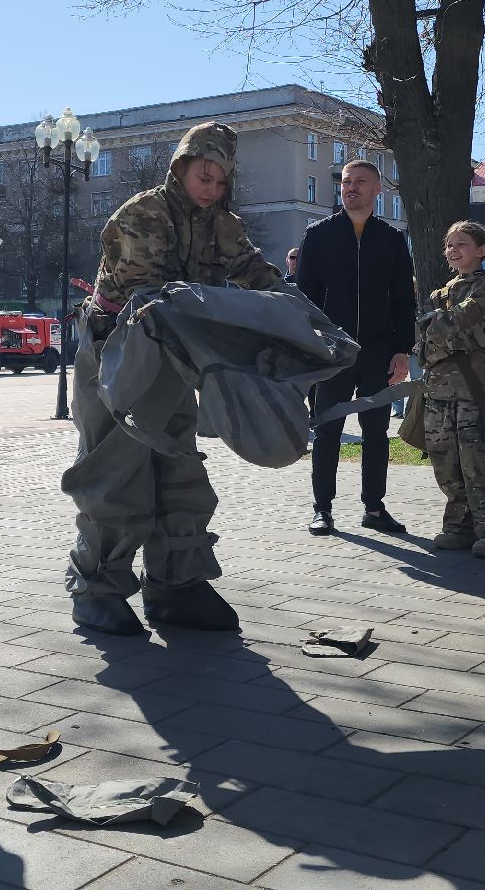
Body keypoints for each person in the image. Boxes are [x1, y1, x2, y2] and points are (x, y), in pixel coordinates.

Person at [63, 121, 289, 636]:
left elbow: (254, 271)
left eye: (220, 180)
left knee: (179, 467)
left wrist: (297, 313)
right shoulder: (143, 214)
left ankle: (176, 583)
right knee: (116, 471)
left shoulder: (222, 225)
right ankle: (97, 588)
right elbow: (150, 299)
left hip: (175, 356)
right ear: (180, 168)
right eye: (203, 177)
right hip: (119, 355)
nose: (211, 188)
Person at [296, 160, 416, 536]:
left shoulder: (391, 239)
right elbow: (305, 298)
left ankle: (374, 508)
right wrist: (312, 345)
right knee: (327, 431)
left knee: (376, 433)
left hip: (379, 353)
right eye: (347, 181)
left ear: (377, 189)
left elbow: (403, 299)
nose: (351, 187)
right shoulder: (318, 235)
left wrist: (402, 350)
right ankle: (322, 509)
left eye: (360, 181)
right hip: (333, 353)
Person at [419, 221, 485, 557]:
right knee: (446, 461)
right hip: (440, 392)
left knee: (477, 460)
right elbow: (426, 338)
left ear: (481, 251)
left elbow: (457, 323)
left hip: (474, 390)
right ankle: (461, 525)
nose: (453, 250)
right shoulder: (442, 293)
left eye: (461, 243)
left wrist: (432, 326)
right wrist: (434, 329)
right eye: (449, 244)